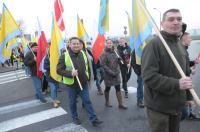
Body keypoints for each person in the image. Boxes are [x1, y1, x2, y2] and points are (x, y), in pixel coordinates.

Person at [141, 9, 193, 132]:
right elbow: (149, 76)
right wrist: (177, 84)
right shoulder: (154, 45)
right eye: (171, 19)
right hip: (158, 107)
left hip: (176, 105)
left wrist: (188, 96)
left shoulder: (180, 45)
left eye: (179, 19)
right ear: (162, 23)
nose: (176, 22)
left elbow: (186, 73)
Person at [57, 37, 103, 127]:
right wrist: (70, 73)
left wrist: (88, 78)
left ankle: (94, 119)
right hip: (71, 85)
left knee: (87, 101)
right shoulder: (64, 56)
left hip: (83, 83)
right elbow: (58, 70)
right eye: (74, 44)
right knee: (72, 102)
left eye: (77, 43)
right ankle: (75, 117)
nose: (76, 45)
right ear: (70, 45)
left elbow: (87, 67)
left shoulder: (83, 53)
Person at [100, 38, 127, 109]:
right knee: (108, 88)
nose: (109, 44)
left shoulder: (116, 51)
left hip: (116, 73)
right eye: (108, 43)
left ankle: (120, 104)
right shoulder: (104, 53)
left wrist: (120, 60)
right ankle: (107, 101)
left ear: (112, 44)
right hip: (108, 75)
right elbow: (103, 65)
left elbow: (120, 59)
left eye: (110, 43)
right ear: (105, 44)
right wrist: (111, 72)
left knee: (118, 88)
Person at [180, 27, 200, 121]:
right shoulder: (181, 51)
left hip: (185, 79)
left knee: (189, 98)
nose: (191, 39)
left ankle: (190, 113)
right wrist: (190, 70)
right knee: (185, 108)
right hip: (182, 82)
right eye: (189, 38)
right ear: (184, 39)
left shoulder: (184, 49)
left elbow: (186, 63)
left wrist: (193, 62)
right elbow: (180, 67)